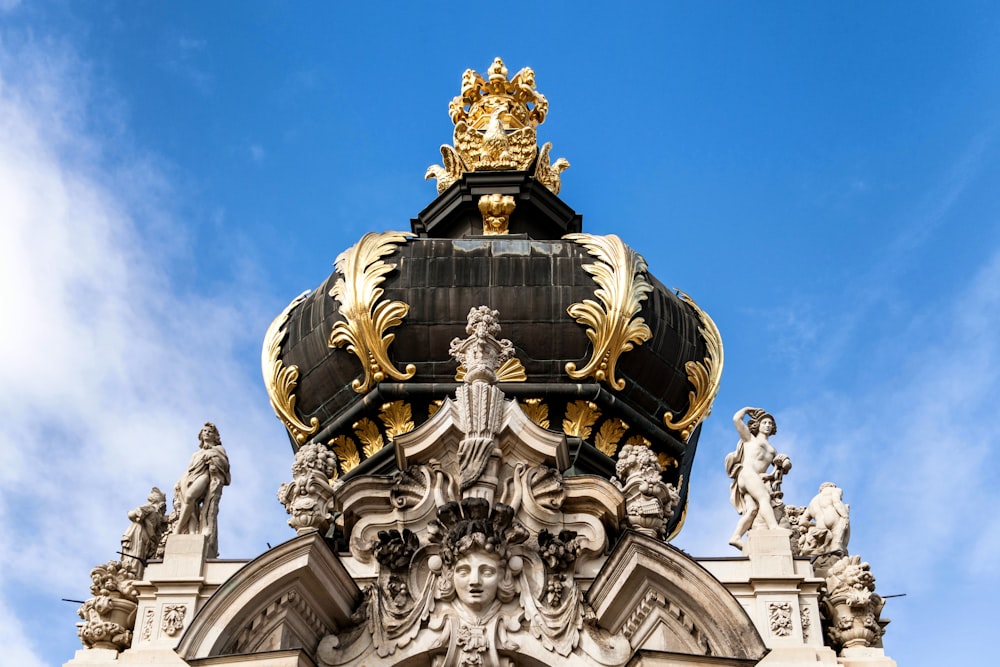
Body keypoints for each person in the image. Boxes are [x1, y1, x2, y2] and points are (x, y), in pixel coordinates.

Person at [725, 407, 790, 550]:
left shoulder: (773, 451)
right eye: (765, 422)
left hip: (756, 479)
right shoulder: (750, 439)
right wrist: (748, 410)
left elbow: (775, 473)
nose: (767, 425)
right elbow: (736, 419)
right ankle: (773, 527)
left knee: (753, 510)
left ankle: (735, 537)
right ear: (758, 425)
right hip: (747, 474)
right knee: (764, 498)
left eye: (770, 424)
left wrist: (781, 467)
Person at [174, 422, 230, 556]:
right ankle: (192, 532)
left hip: (204, 476)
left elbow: (225, 466)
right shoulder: (196, 453)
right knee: (191, 507)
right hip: (190, 477)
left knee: (189, 497)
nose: (206, 433)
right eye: (204, 431)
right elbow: (189, 469)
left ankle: (178, 527)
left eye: (209, 431)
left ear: (215, 436)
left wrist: (211, 457)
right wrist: (178, 482)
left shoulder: (218, 450)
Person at [120, 487, 166, 576]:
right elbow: (132, 515)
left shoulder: (152, 510)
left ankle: (133, 575)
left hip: (141, 533)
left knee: (136, 556)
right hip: (138, 532)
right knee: (135, 555)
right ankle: (132, 574)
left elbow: (132, 515)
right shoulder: (151, 509)